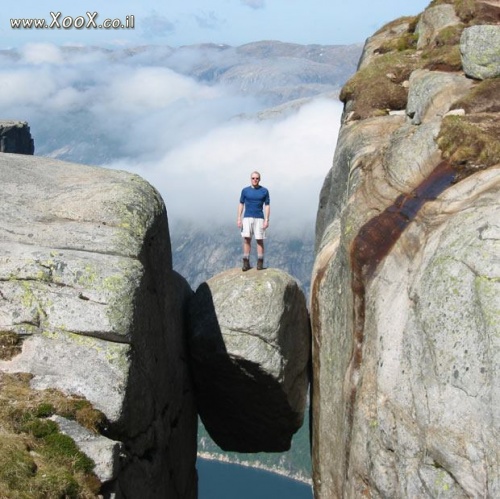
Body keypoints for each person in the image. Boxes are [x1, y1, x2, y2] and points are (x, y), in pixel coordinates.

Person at [237, 171, 270, 271]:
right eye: (253, 178)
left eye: (257, 178)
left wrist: (267, 220)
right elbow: (241, 204)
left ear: (259, 179)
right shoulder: (245, 191)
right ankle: (246, 262)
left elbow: (267, 205)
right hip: (247, 217)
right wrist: (239, 218)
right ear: (250, 179)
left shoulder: (264, 191)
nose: (255, 180)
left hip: (259, 217)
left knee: (259, 240)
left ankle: (260, 262)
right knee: (247, 239)